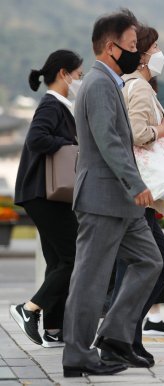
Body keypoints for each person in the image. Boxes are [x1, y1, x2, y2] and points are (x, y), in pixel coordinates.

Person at [62, 9, 163, 378]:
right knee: (90, 279)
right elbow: (109, 142)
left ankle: (114, 336)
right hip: (104, 200)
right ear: (110, 47)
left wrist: (139, 192)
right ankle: (76, 355)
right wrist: (136, 185)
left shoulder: (110, 82)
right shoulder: (99, 84)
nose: (138, 54)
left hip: (121, 203)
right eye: (133, 46)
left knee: (151, 262)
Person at [101, 23, 164, 367]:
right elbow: (134, 134)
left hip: (140, 193)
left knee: (141, 267)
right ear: (145, 53)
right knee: (155, 265)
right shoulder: (138, 87)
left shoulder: (139, 86)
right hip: (138, 192)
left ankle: (124, 338)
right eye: (156, 47)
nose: (160, 54)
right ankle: (119, 336)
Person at [10, 50, 83, 348]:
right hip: (43, 193)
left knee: (58, 260)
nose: (80, 80)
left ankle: (54, 328)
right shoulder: (52, 104)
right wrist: (71, 143)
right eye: (78, 75)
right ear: (64, 74)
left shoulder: (61, 105)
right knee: (76, 256)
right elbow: (37, 138)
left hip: (44, 193)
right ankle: (29, 309)